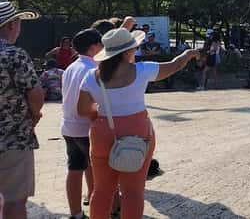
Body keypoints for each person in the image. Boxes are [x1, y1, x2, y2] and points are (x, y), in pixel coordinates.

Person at [77, 28, 200, 219]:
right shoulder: (142, 70)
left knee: (101, 190)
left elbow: (83, 110)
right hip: (136, 134)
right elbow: (174, 65)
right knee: (132, 191)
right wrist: (187, 54)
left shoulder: (92, 76)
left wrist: (100, 116)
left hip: (102, 134)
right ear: (127, 51)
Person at [0, 1, 42, 219]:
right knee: (14, 199)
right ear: (11, 25)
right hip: (13, 137)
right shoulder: (15, 55)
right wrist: (35, 114)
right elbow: (35, 94)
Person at [61, 29, 103, 219]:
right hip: (87, 129)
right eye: (101, 45)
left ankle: (76, 214)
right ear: (93, 47)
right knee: (98, 174)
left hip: (69, 127)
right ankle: (99, 212)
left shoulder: (71, 67)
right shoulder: (92, 70)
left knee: (74, 170)